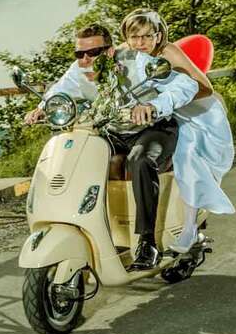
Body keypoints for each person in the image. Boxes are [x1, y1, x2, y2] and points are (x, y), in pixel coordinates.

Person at [25, 23, 199, 269]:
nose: (84, 60)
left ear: (108, 51)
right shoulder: (79, 69)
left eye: (92, 53)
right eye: (79, 54)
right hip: (114, 131)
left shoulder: (137, 62)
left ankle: (147, 242)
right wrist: (42, 109)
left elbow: (186, 85)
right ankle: (96, 230)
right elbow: (60, 90)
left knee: (139, 161)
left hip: (153, 128)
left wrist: (154, 106)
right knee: (82, 159)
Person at [118, 9, 235, 254]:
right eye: (134, 37)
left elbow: (204, 87)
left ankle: (189, 228)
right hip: (155, 113)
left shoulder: (169, 52)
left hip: (193, 112)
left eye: (147, 37)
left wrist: (163, 102)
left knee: (189, 155)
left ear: (158, 36)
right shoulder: (127, 52)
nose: (141, 43)